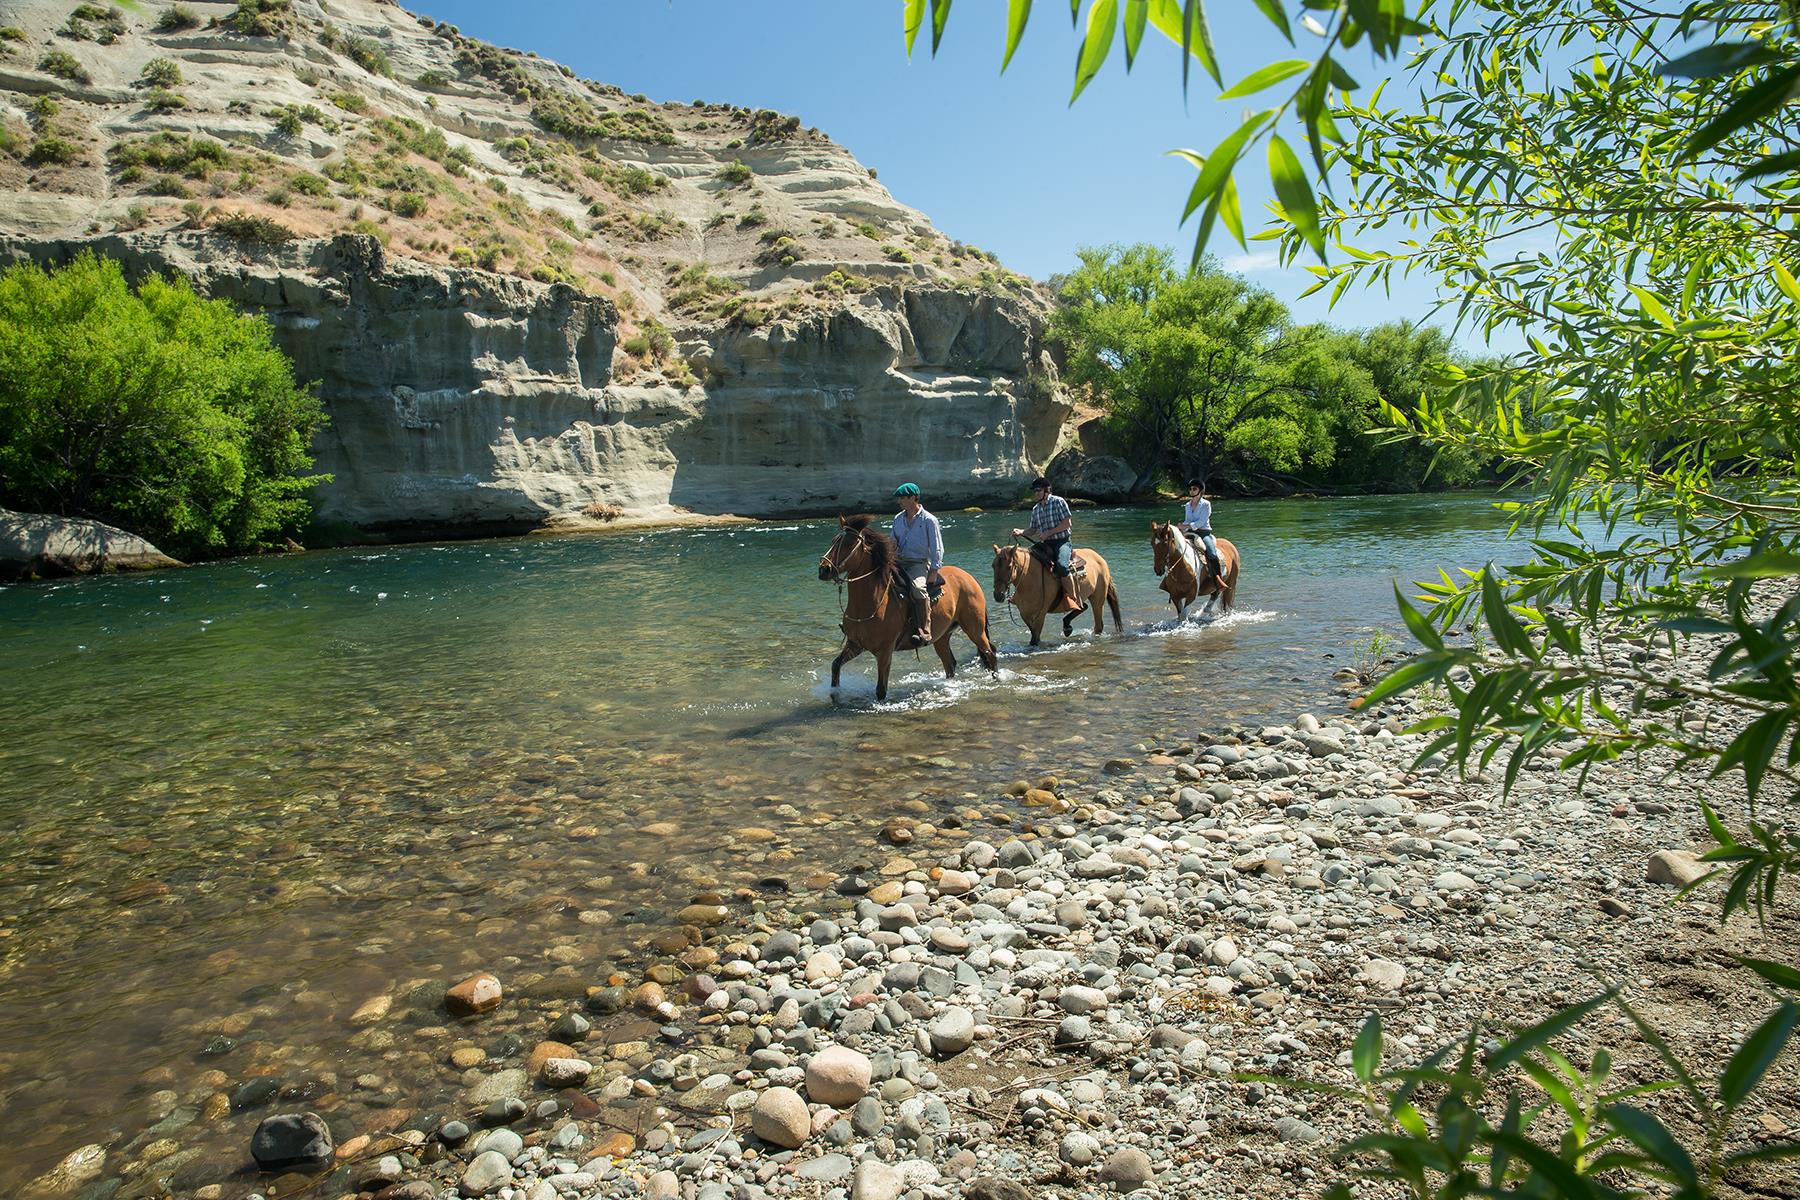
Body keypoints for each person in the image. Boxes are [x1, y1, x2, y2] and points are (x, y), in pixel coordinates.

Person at [1012, 476, 1080, 611]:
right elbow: (1032, 530)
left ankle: (1072, 599)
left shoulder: (1058, 502)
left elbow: (1067, 523)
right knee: (1027, 561)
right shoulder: (1036, 509)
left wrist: (1049, 533)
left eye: (1038, 490)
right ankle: (1020, 594)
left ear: (1046, 491)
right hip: (1046, 544)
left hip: (1062, 542)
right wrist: (1021, 531)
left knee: (1061, 566)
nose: (1035, 493)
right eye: (1035, 491)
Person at [891, 482, 943, 646]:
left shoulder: (929, 520)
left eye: (902, 498)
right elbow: (893, 542)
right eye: (898, 498)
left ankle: (925, 630)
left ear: (913, 498)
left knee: (918, 588)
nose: (899, 501)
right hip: (898, 561)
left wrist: (934, 570)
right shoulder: (898, 519)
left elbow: (937, 547)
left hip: (917, 563)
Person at [1179, 480, 1224, 582]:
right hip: (1190, 532)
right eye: (1190, 489)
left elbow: (1201, 522)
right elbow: (1187, 520)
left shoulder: (1206, 504)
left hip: (1204, 533)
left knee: (1212, 553)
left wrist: (1186, 525)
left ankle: (1218, 578)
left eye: (1194, 489)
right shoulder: (1187, 505)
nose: (1191, 491)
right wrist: (1181, 527)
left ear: (1200, 491)